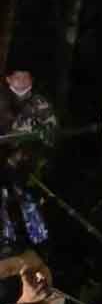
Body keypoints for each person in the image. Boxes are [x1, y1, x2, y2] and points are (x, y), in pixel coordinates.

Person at [0, 68, 56, 252]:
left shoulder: (40, 102)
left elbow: (52, 132)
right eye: (18, 76)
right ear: (9, 79)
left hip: (30, 164)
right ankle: (7, 238)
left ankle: (38, 240)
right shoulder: (2, 100)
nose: (22, 80)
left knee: (29, 200)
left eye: (26, 76)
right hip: (3, 163)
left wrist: (31, 152)